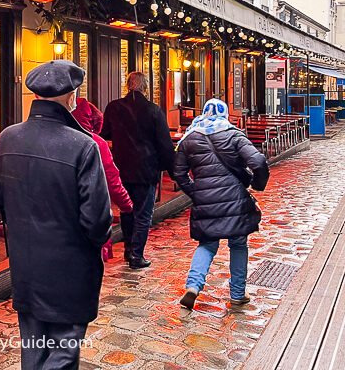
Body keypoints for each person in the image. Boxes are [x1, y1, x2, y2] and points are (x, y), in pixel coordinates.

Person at [0, 60, 112, 370]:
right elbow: (97, 221)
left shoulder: (8, 137)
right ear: (72, 96)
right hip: (70, 269)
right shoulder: (83, 146)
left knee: (34, 350)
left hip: (26, 265)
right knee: (63, 353)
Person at [172, 98, 269, 309]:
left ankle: (193, 286)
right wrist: (256, 185)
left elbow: (178, 174)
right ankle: (237, 293)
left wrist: (196, 192)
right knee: (238, 244)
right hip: (236, 201)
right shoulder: (234, 135)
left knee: (206, 244)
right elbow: (258, 162)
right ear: (225, 114)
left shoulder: (189, 139)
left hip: (205, 201)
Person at [100, 71, 175, 269]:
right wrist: (173, 170)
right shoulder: (154, 110)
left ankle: (128, 249)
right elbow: (165, 145)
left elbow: (104, 132)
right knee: (143, 214)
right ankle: (136, 254)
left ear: (128, 85)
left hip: (122, 167)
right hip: (147, 169)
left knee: (127, 210)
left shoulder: (114, 107)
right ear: (145, 87)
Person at [72, 98, 134, 261]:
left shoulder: (56, 139)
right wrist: (126, 205)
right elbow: (112, 181)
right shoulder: (97, 143)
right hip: (92, 212)